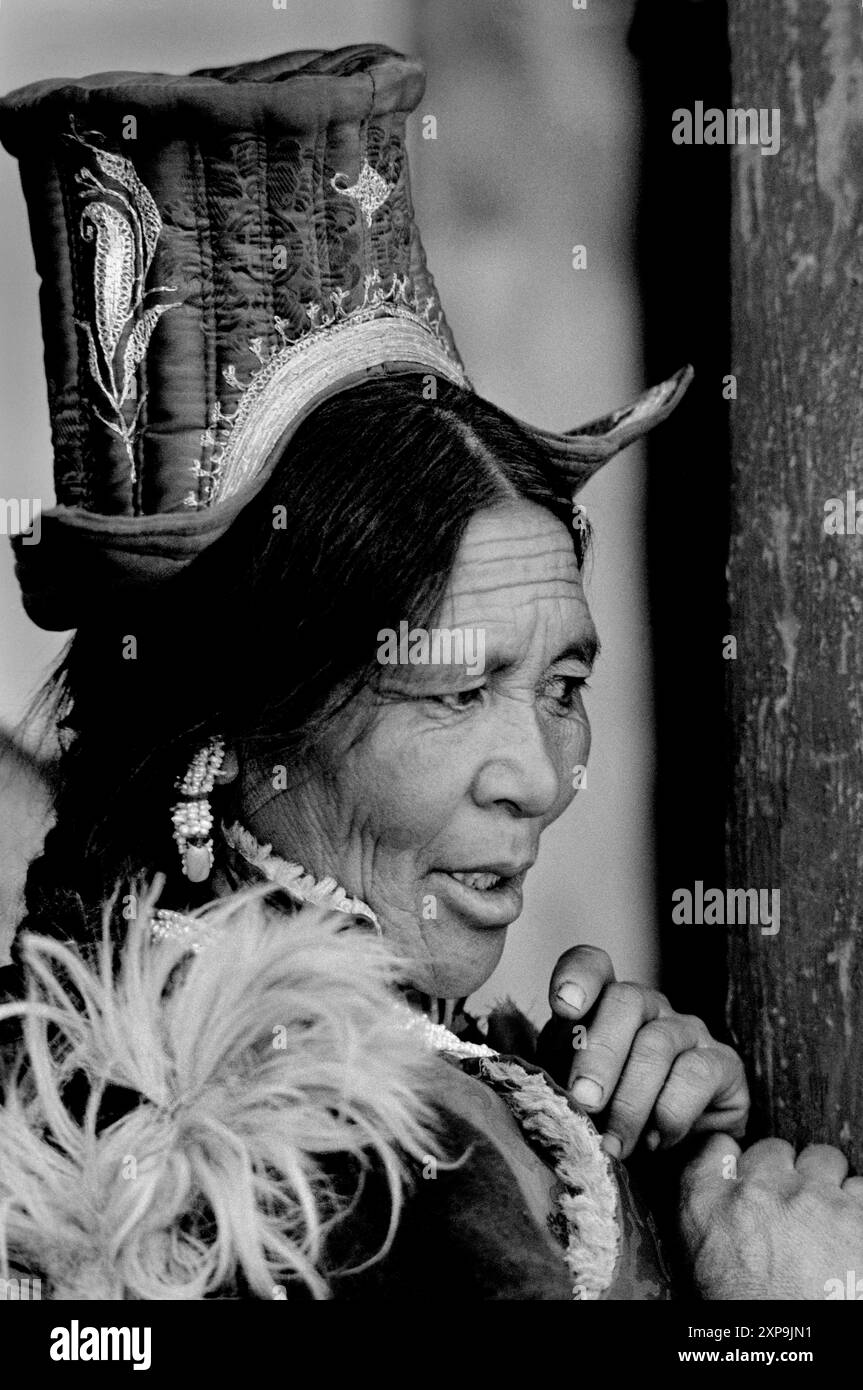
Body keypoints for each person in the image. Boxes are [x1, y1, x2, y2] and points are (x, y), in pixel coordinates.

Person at [0, 42, 846, 1303]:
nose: (542, 780)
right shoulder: (273, 1170)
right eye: (454, 689)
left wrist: (662, 1165)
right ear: (234, 723)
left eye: (560, 685)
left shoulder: (418, 1091)